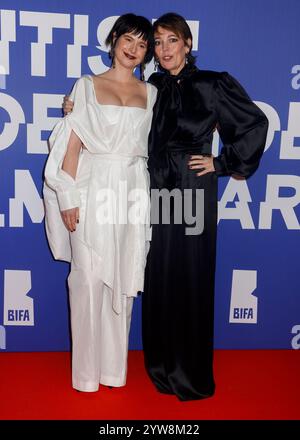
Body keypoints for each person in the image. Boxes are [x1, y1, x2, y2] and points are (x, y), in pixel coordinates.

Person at [63, 12, 269, 401]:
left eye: (171, 40)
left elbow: (254, 124)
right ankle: (159, 365)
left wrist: (221, 163)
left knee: (190, 277)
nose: (163, 49)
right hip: (152, 191)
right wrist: (75, 106)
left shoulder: (213, 84)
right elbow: (119, 122)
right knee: (158, 277)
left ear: (188, 45)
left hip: (191, 191)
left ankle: (188, 373)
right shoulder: (152, 86)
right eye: (157, 42)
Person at [43, 13, 157, 392]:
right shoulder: (87, 85)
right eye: (129, 39)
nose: (134, 49)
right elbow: (71, 146)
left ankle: (112, 371)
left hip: (131, 191)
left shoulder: (152, 93)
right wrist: (68, 197)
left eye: (143, 44)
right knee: (88, 278)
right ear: (113, 40)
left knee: (122, 279)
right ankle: (86, 376)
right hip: (92, 188)